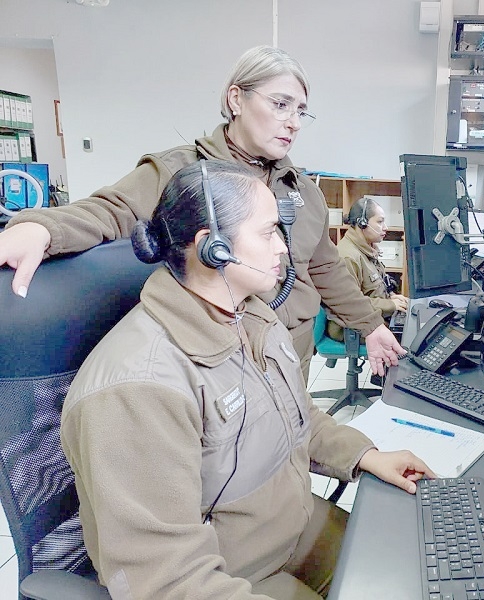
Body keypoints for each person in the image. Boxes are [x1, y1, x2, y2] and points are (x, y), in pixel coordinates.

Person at [61, 160, 432, 600]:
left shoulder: (252, 315)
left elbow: (297, 415)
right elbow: (167, 580)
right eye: (269, 231)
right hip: (235, 574)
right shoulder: (137, 388)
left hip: (292, 528)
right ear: (212, 247)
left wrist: (365, 455)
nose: (284, 248)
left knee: (416, 567)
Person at [0, 45, 402, 382]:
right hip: (218, 361)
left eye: (301, 111)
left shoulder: (304, 191)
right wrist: (40, 227)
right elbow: (112, 209)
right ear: (235, 99)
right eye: (281, 105)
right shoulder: (185, 172)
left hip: (290, 354)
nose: (293, 123)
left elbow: (326, 270)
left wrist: (371, 325)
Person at [327, 196, 409, 341]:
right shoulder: (348, 257)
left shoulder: (366, 249)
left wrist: (391, 297)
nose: (385, 228)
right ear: (362, 223)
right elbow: (351, 304)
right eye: (379, 221)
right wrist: (390, 305)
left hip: (370, 317)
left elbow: (373, 288)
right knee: (411, 339)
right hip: (350, 327)